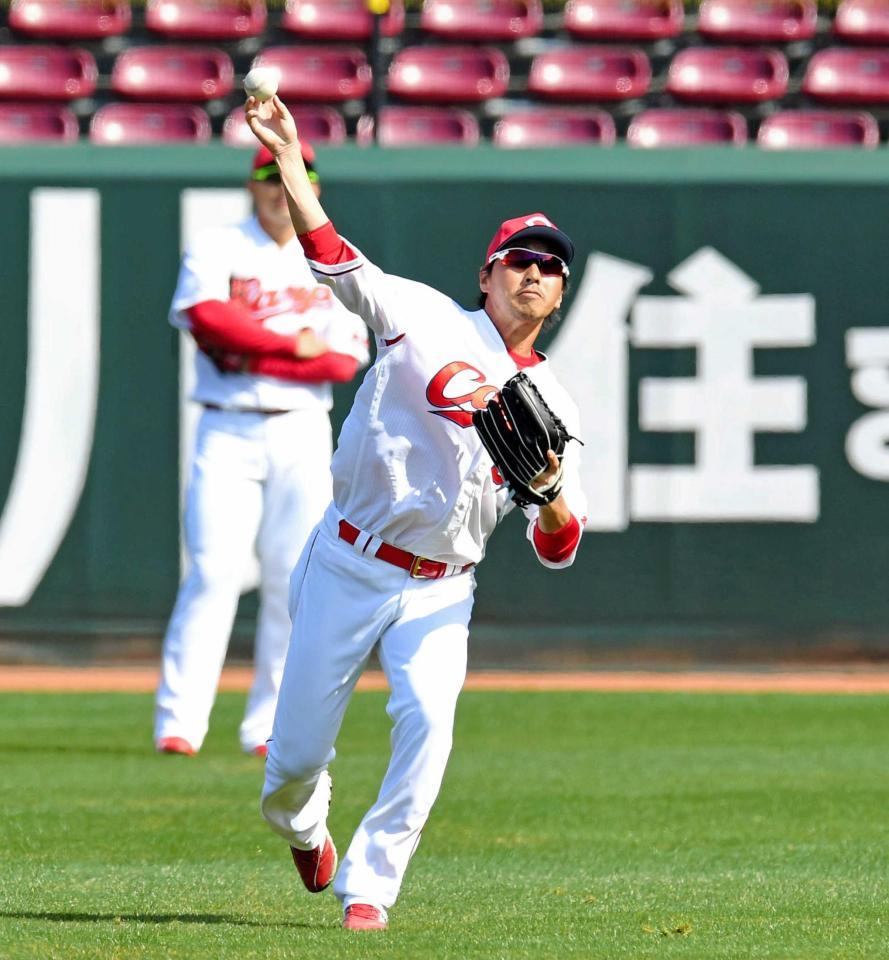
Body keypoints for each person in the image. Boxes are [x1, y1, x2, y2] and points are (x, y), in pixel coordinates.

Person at [246, 95, 588, 931]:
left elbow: (559, 544)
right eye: (517, 260)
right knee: (290, 766)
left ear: (561, 291)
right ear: (487, 273)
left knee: (429, 721)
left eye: (547, 265)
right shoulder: (424, 316)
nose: (531, 273)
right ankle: (304, 826)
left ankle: (372, 884)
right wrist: (291, 157)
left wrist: (545, 495)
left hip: (442, 587)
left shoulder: (555, 402)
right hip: (348, 560)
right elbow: (330, 256)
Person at [154, 143, 369, 758]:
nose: (280, 190)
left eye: (293, 178)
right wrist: (290, 347)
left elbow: (341, 358)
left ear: (313, 188)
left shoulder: (329, 258)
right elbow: (205, 318)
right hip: (226, 427)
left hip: (301, 430)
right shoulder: (219, 245)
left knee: (290, 581)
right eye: (270, 178)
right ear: (252, 186)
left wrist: (256, 352)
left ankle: (265, 726)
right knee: (213, 573)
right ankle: (180, 723)